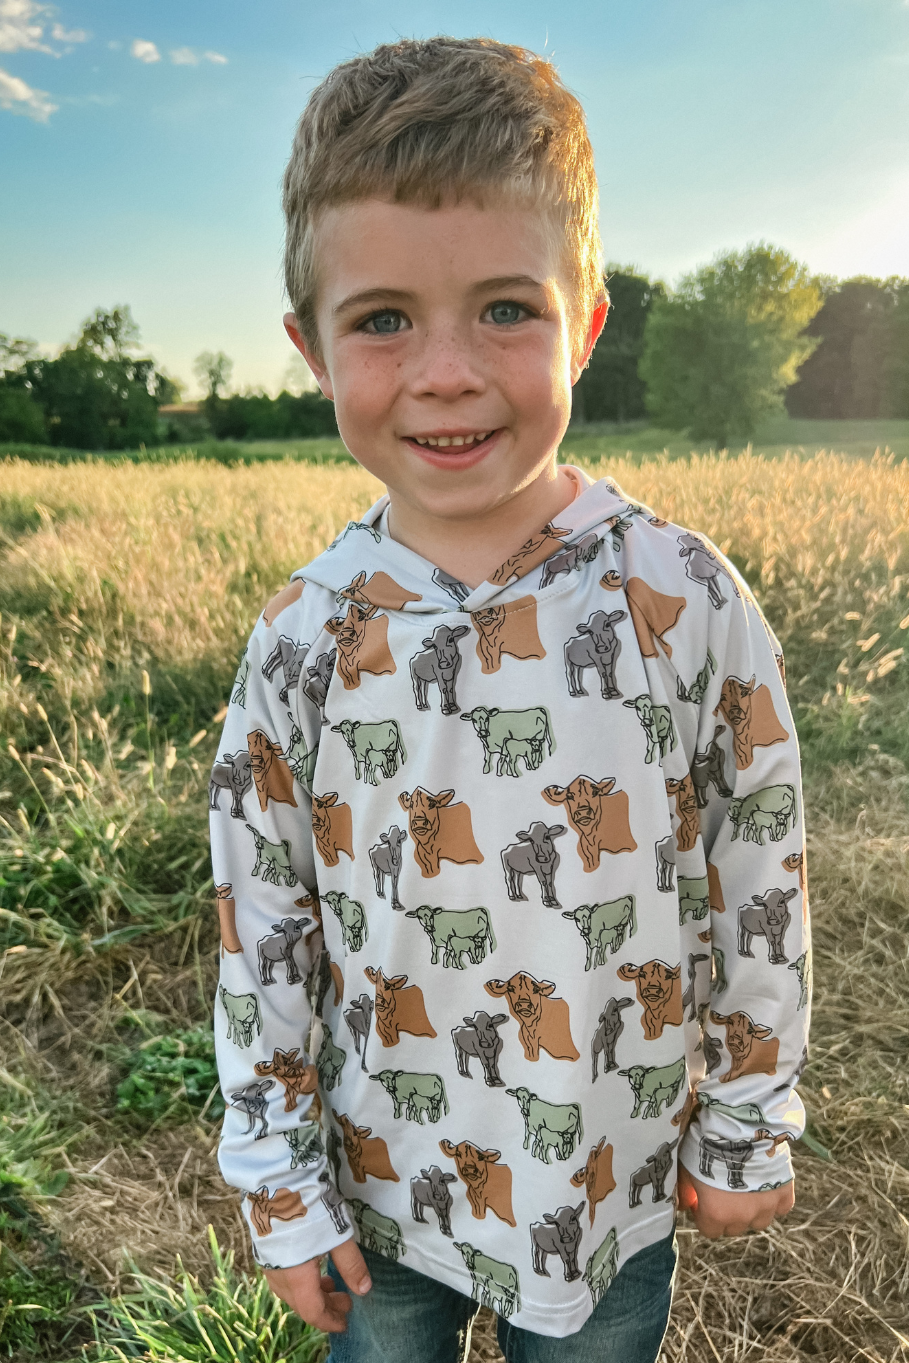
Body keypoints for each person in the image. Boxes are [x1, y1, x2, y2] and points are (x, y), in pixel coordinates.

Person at [210, 36, 811, 1363]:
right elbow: (264, 924)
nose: (447, 371)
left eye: (505, 308)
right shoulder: (305, 637)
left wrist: (749, 1114)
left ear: (585, 317)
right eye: (383, 320)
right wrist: (278, 1174)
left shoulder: (683, 596)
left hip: (604, 1178)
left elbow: (758, 864)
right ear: (311, 346)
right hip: (382, 1183)